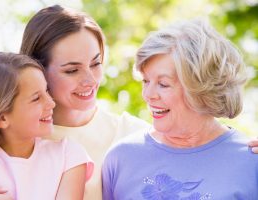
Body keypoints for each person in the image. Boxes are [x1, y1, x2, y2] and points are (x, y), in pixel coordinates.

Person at [102, 19, 258, 199]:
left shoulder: (250, 162)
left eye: (163, 84)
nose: (148, 94)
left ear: (201, 88)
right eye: (146, 81)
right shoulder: (121, 158)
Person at [20, 5, 150, 200]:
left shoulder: (137, 134)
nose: (90, 80)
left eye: (96, 64)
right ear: (38, 71)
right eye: (72, 70)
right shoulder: (14, 142)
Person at [0, 52, 93, 200]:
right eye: (36, 98)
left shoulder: (68, 154)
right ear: (2, 118)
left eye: (46, 91)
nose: (51, 103)